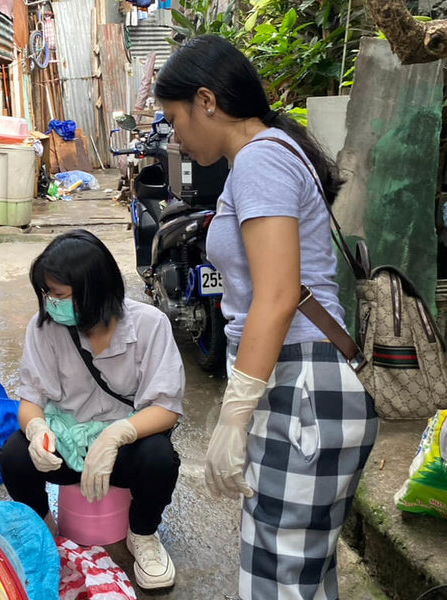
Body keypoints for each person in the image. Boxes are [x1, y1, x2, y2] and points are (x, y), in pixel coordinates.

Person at [154, 35, 378, 600]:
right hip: (302, 383)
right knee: (299, 575)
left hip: (300, 384)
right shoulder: (269, 154)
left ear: (207, 101)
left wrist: (234, 413)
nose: (174, 136)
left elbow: (276, 297)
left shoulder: (259, 159)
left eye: (174, 118)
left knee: (279, 581)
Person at [0, 229, 183, 590]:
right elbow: (31, 399)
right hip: (67, 441)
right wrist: (38, 432)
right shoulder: (44, 329)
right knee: (14, 456)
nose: (51, 302)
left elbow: (167, 407)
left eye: (60, 294)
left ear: (94, 291)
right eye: (48, 293)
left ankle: (142, 533)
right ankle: (45, 528)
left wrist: (117, 435)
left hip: (125, 449)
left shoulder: (149, 325)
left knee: (160, 458)